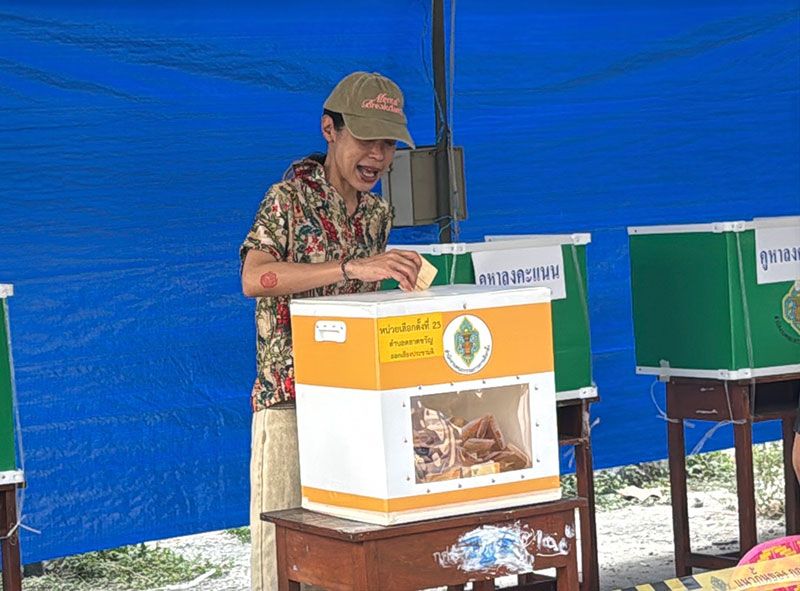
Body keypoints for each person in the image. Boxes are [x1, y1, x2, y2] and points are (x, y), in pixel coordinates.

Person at [240, 71, 422, 591]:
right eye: (367, 139)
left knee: (347, 553)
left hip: (357, 403)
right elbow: (254, 278)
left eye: (389, 144)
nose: (378, 157)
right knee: (282, 557)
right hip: (290, 402)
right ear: (329, 130)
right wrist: (349, 267)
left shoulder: (378, 214)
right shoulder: (286, 199)